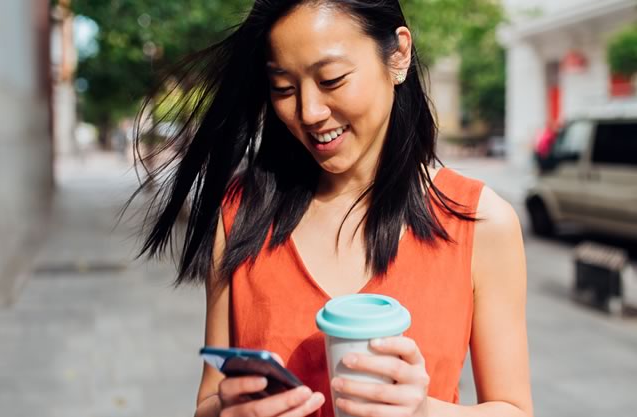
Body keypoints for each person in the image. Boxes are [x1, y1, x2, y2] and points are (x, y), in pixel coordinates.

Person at [129, 1, 533, 417]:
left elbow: (514, 409)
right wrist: (228, 412)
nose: (308, 112)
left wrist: (425, 412)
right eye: (283, 88)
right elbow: (210, 401)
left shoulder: (481, 221)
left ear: (398, 55)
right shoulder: (240, 214)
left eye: (332, 79)